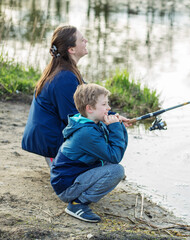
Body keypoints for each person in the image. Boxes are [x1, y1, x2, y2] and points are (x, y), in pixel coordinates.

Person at [21, 25, 129, 166]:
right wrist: (107, 121)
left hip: (49, 136)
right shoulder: (64, 77)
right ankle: (59, 162)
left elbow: (89, 103)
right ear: (71, 49)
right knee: (98, 131)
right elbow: (75, 116)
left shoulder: (66, 70)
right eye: (81, 40)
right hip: (50, 141)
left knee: (108, 127)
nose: (86, 40)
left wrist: (113, 117)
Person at [50, 83, 127, 223]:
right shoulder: (86, 132)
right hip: (66, 187)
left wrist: (119, 125)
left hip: (71, 176)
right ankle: (77, 204)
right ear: (90, 108)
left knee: (109, 163)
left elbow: (114, 152)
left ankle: (83, 195)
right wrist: (116, 128)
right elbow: (115, 156)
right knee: (117, 170)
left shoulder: (88, 121)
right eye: (104, 104)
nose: (109, 108)